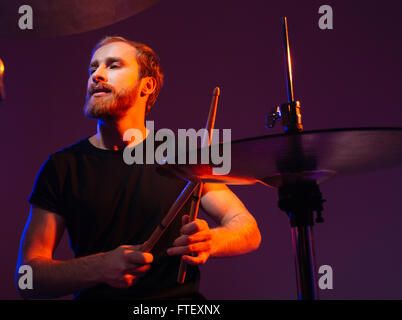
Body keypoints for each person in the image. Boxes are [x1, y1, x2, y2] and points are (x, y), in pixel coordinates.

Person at [16, 36, 262, 300]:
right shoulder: (62, 167)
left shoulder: (180, 155)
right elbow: (27, 278)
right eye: (93, 68)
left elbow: (247, 228)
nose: (96, 75)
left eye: (113, 66)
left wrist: (212, 241)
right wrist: (99, 267)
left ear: (146, 86)